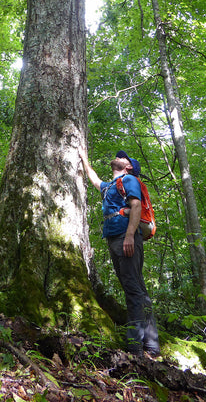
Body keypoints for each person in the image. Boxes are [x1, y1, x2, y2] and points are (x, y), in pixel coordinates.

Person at [79, 149, 160, 357]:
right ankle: (152, 344)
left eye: (124, 157)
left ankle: (135, 348)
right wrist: (83, 157)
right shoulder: (110, 187)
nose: (118, 157)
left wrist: (130, 236)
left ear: (129, 166)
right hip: (116, 239)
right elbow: (94, 179)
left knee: (133, 290)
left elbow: (135, 206)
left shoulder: (129, 179)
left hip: (126, 238)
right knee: (136, 288)